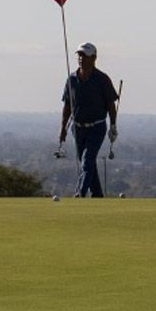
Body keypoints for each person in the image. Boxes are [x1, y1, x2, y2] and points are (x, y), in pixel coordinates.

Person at [59, 42, 119, 198]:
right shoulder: (71, 79)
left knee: (86, 160)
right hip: (77, 128)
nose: (81, 59)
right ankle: (97, 194)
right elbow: (67, 106)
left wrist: (113, 125)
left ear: (94, 58)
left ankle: (80, 193)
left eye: (84, 56)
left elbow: (111, 105)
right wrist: (63, 129)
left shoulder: (102, 79)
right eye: (79, 55)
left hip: (97, 127)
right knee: (89, 162)